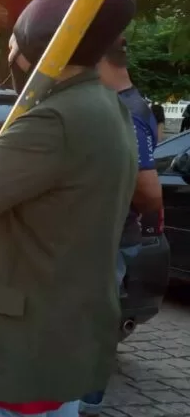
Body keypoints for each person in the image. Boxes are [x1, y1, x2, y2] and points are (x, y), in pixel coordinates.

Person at [0, 0, 138, 417]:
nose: (9, 58)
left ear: (33, 51)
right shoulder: (105, 107)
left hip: (11, 355)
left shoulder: (53, 120)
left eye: (12, 48)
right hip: (57, 343)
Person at [80, 36, 164, 417]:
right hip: (113, 235)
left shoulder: (123, 109)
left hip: (108, 236)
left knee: (91, 323)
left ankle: (83, 402)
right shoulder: (139, 104)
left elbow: (148, 190)